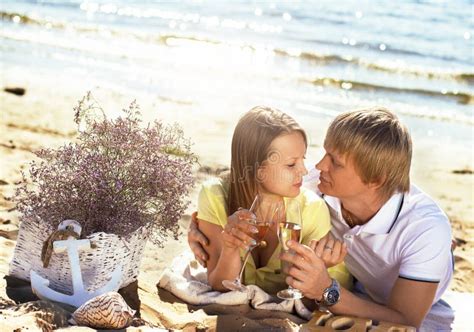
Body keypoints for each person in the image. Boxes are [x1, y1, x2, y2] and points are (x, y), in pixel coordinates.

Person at [189, 107, 453, 329]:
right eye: (325, 153)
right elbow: (257, 172)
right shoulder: (323, 183)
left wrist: (326, 289)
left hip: (404, 309)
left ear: (375, 179)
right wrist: (206, 224)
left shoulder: (426, 229)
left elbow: (405, 319)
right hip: (353, 291)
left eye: (335, 162)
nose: (317, 166)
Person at [195, 106, 351, 295]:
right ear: (257, 169)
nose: (304, 170)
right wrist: (230, 248)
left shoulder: (311, 209)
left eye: (303, 159)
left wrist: (317, 267)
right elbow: (219, 285)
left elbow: (315, 298)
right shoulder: (214, 196)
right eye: (291, 164)